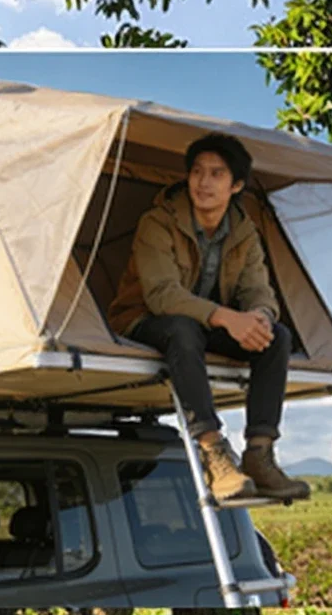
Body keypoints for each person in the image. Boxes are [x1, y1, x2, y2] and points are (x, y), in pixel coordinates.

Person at [108, 133, 309, 504]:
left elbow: (258, 289)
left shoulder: (244, 231)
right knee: (183, 330)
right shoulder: (158, 221)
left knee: (277, 336)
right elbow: (161, 294)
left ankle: (260, 454)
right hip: (144, 318)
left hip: (208, 324)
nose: (203, 182)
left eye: (217, 174)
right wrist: (226, 318)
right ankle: (213, 452)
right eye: (197, 172)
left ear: (236, 185)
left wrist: (259, 317)